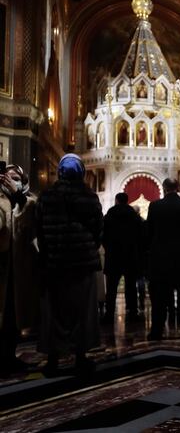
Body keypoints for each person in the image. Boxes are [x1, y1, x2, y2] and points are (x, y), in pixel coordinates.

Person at [36, 154, 103, 377]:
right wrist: (89, 247)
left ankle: (53, 360)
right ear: (82, 173)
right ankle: (80, 358)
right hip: (82, 262)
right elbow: (97, 230)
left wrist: (47, 253)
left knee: (54, 310)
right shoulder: (89, 197)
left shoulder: (47, 196)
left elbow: (39, 230)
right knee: (82, 310)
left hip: (55, 261)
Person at [145, 178, 180, 341]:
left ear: (164, 188)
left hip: (160, 259)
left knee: (159, 298)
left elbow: (149, 232)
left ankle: (156, 331)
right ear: (178, 187)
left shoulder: (154, 206)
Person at [0, 165, 39, 375]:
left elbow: (29, 224)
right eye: (8, 177)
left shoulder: (30, 200)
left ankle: (10, 355)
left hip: (21, 270)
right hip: (3, 268)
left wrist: (18, 197)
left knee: (15, 316)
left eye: (16, 178)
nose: (11, 181)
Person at [101, 192, 144, 324]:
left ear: (117, 200)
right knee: (131, 286)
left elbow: (103, 234)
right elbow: (141, 235)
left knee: (112, 287)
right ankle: (132, 312)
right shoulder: (134, 216)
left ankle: (109, 314)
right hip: (130, 255)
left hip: (113, 255)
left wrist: (108, 248)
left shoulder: (110, 214)